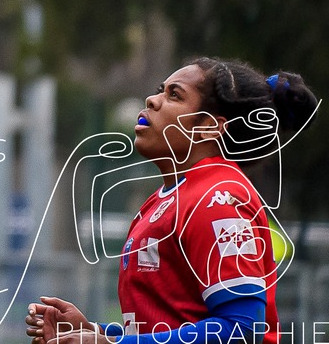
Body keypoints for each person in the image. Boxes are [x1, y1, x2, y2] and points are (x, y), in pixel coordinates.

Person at [25, 58, 318, 344]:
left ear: (209, 127)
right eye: (159, 90)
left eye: (174, 95)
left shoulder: (219, 197)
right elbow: (172, 322)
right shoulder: (165, 200)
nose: (152, 101)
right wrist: (95, 332)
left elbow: (241, 330)